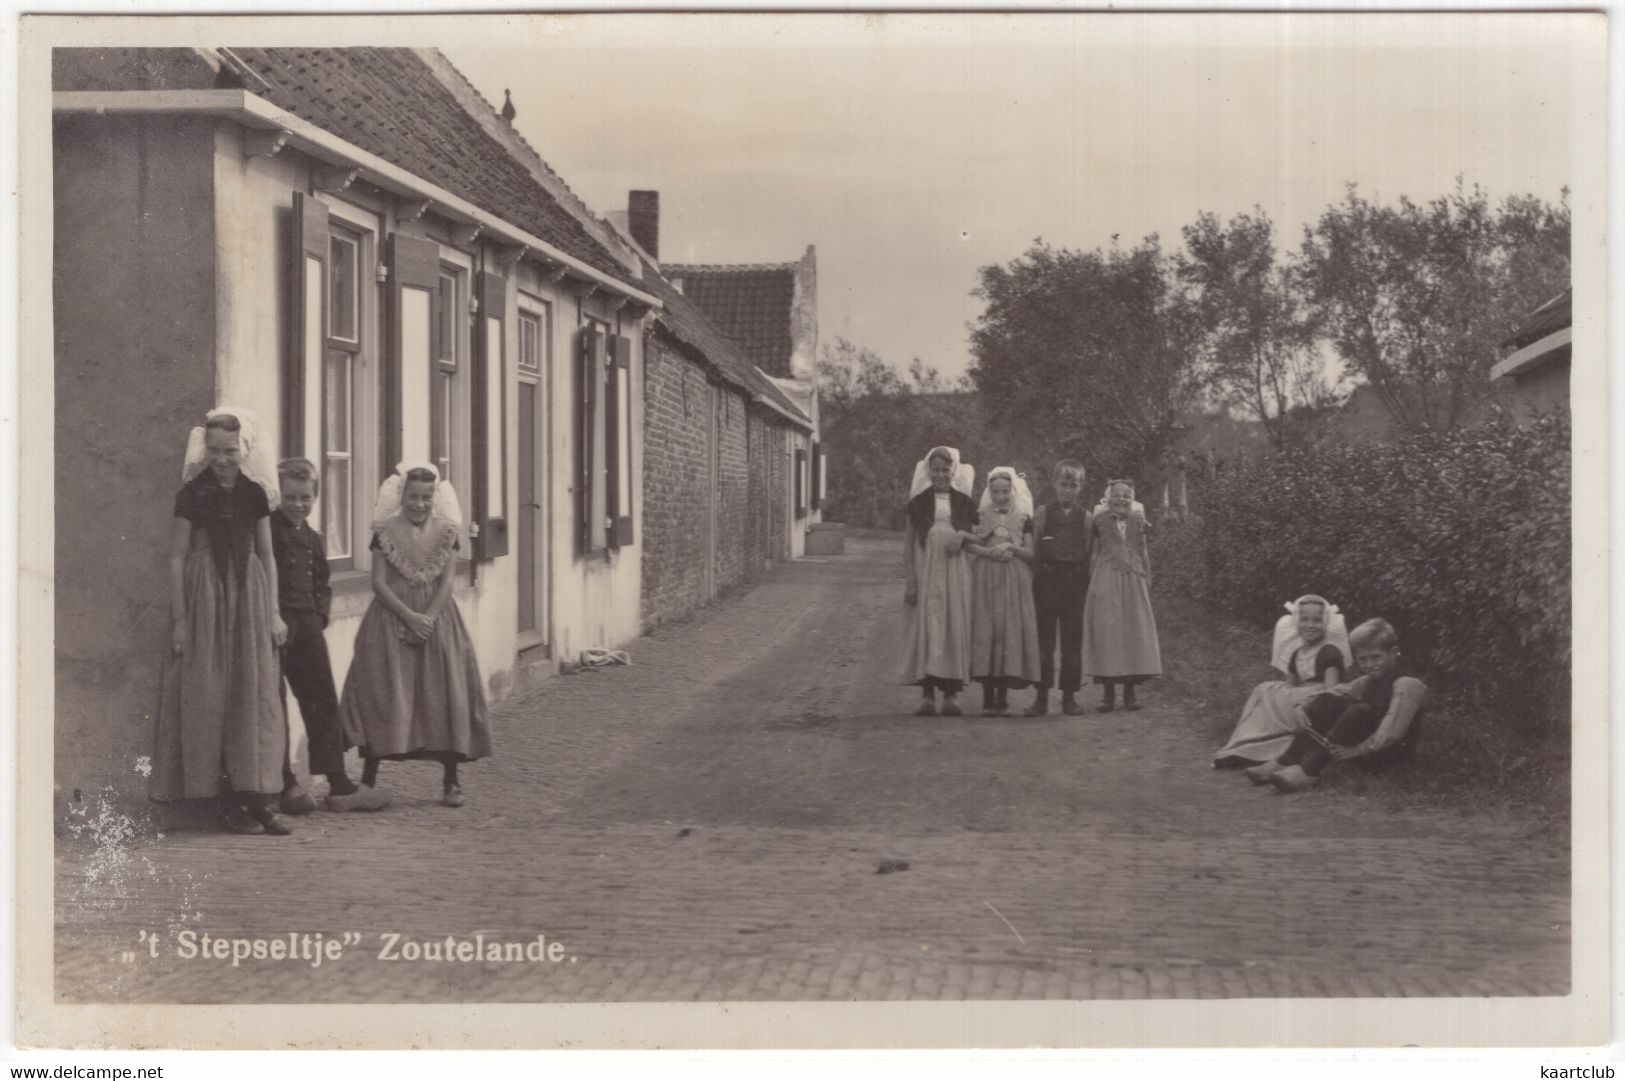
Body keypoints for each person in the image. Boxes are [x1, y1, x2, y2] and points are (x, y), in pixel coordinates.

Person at [151, 408, 291, 835]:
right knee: (209, 694)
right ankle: (217, 802)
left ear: (242, 450)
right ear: (203, 448)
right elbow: (176, 557)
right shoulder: (192, 493)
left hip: (248, 596)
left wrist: (273, 613)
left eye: (229, 450)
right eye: (214, 450)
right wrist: (181, 620)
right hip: (205, 594)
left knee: (251, 695)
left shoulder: (255, 493)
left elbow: (266, 554)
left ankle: (257, 800)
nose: (222, 458)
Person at [338, 463, 492, 807]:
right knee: (384, 692)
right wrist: (408, 617)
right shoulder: (384, 531)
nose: (419, 504)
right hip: (391, 618)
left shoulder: (447, 531)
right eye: (412, 496)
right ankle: (369, 780)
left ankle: (451, 780)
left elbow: (447, 582)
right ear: (401, 495)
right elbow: (378, 583)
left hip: (437, 620)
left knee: (444, 692)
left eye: (425, 497)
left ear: (434, 498)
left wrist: (428, 620)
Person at [271, 458, 391, 813]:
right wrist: (273, 617)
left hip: (308, 627)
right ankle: (285, 784)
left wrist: (321, 614)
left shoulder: (311, 537)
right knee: (273, 705)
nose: (297, 504)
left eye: (305, 497)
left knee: (322, 701)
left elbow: (322, 581)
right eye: (290, 497)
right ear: (278, 496)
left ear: (316, 497)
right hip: (275, 627)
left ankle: (339, 784)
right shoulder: (269, 532)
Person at [1249, 618, 1427, 792]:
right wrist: (1303, 707)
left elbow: (1392, 730)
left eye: (1376, 657)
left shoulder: (1407, 683)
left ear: (1393, 652)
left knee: (1359, 711)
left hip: (1389, 755)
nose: (1370, 665)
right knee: (1327, 702)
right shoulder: (1367, 681)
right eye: (1363, 660)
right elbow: (1336, 692)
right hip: (1367, 749)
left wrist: (1357, 750)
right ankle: (1287, 759)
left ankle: (1309, 771)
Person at [1212, 595, 1351, 768]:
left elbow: (1332, 692)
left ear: (1326, 623)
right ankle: (1249, 747)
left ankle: (1283, 749)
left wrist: (1301, 700)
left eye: (1317, 620)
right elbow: (1289, 685)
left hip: (1318, 698)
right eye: (1305, 620)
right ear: (1296, 623)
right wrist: (1280, 696)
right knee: (1264, 690)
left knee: (1289, 697)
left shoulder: (1329, 652)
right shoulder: (1297, 652)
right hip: (1298, 695)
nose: (1310, 625)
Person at [899, 446, 977, 716]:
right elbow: (908, 544)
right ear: (928, 471)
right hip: (927, 570)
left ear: (953, 471)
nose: (940, 475)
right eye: (936, 470)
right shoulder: (918, 502)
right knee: (929, 627)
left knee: (952, 625)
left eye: (945, 470)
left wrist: (963, 535)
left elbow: (979, 536)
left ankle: (951, 694)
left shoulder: (965, 503)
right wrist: (911, 580)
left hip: (955, 573)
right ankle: (927, 694)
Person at [964, 467, 1041, 716]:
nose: (1000, 496)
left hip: (1014, 577)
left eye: (1005, 491)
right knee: (989, 628)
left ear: (1012, 492)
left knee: (1008, 630)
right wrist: (990, 552)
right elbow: (971, 545)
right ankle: (988, 698)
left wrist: (1011, 546)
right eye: (995, 492)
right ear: (989, 492)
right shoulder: (981, 515)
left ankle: (1003, 697)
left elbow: (1030, 552)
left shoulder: (1023, 517)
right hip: (988, 576)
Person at [1081, 479, 1162, 711]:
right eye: (1116, 495)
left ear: (1132, 500)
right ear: (1107, 499)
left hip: (1134, 578)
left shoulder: (1138, 521)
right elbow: (1095, 553)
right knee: (1109, 631)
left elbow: (1143, 549)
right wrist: (1092, 582)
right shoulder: (1100, 521)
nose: (1121, 499)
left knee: (1132, 630)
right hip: (1106, 576)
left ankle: (1130, 694)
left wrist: (1147, 574)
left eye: (1127, 495)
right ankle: (1108, 695)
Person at [1025, 459, 1092, 717]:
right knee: (1044, 642)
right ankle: (1041, 697)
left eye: (1073, 485)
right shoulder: (1042, 513)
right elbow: (1035, 549)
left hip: (1074, 584)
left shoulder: (1086, 518)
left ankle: (1069, 697)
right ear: (1054, 484)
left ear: (1081, 487)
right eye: (1063, 484)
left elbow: (1088, 551)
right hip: (1047, 582)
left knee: (1072, 642)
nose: (1067, 490)